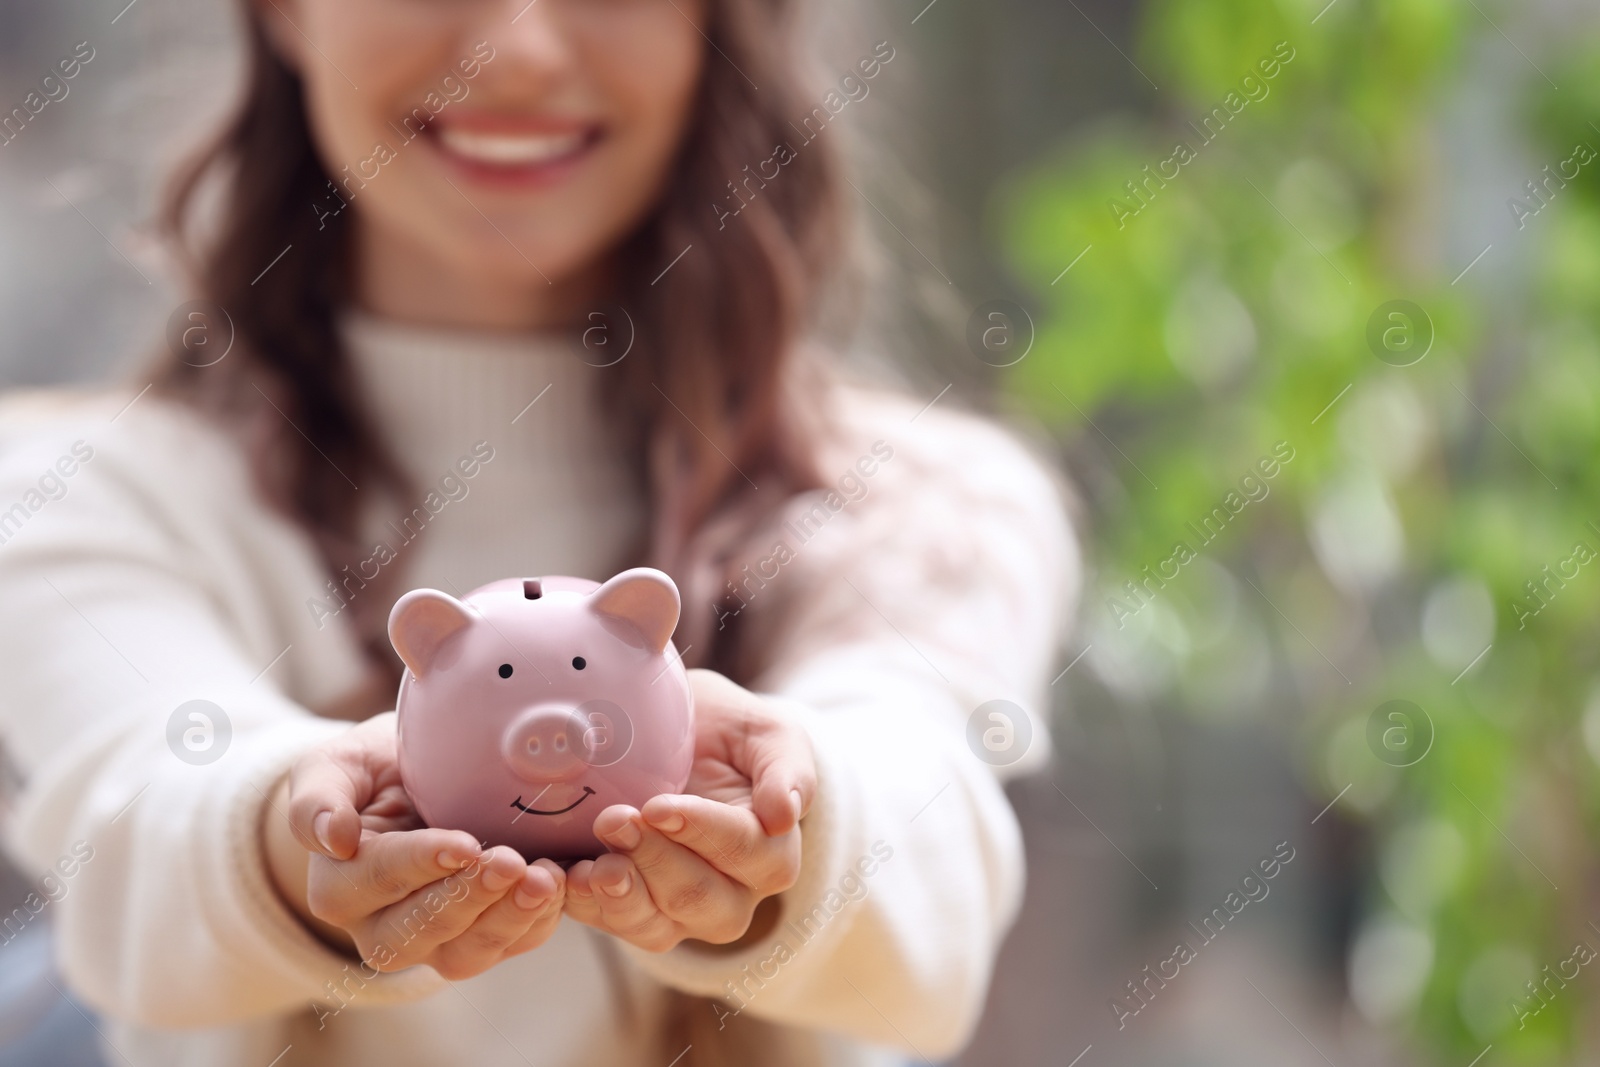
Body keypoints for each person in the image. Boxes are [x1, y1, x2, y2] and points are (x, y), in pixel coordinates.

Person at [0, 0, 1079, 1064]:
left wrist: (792, 816)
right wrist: (301, 832)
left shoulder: (937, 505)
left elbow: (924, 839)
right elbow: (136, 837)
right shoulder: (65, 495)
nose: (516, 50)